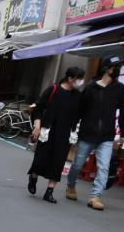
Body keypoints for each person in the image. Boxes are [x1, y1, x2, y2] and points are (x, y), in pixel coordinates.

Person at [66, 56, 124, 210]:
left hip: (107, 136)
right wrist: (73, 125)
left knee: (104, 167)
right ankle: (71, 185)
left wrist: (123, 133)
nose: (118, 70)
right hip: (87, 133)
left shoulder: (120, 89)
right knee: (77, 165)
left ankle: (95, 196)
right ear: (107, 69)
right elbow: (80, 109)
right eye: (115, 67)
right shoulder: (90, 88)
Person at [27, 67, 86, 203]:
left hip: (65, 133)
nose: (81, 82)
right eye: (79, 78)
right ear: (70, 78)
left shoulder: (78, 96)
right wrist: (37, 126)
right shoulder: (53, 90)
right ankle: (33, 177)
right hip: (48, 131)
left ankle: (49, 192)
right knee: (40, 159)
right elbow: (39, 108)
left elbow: (81, 114)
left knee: (58, 163)